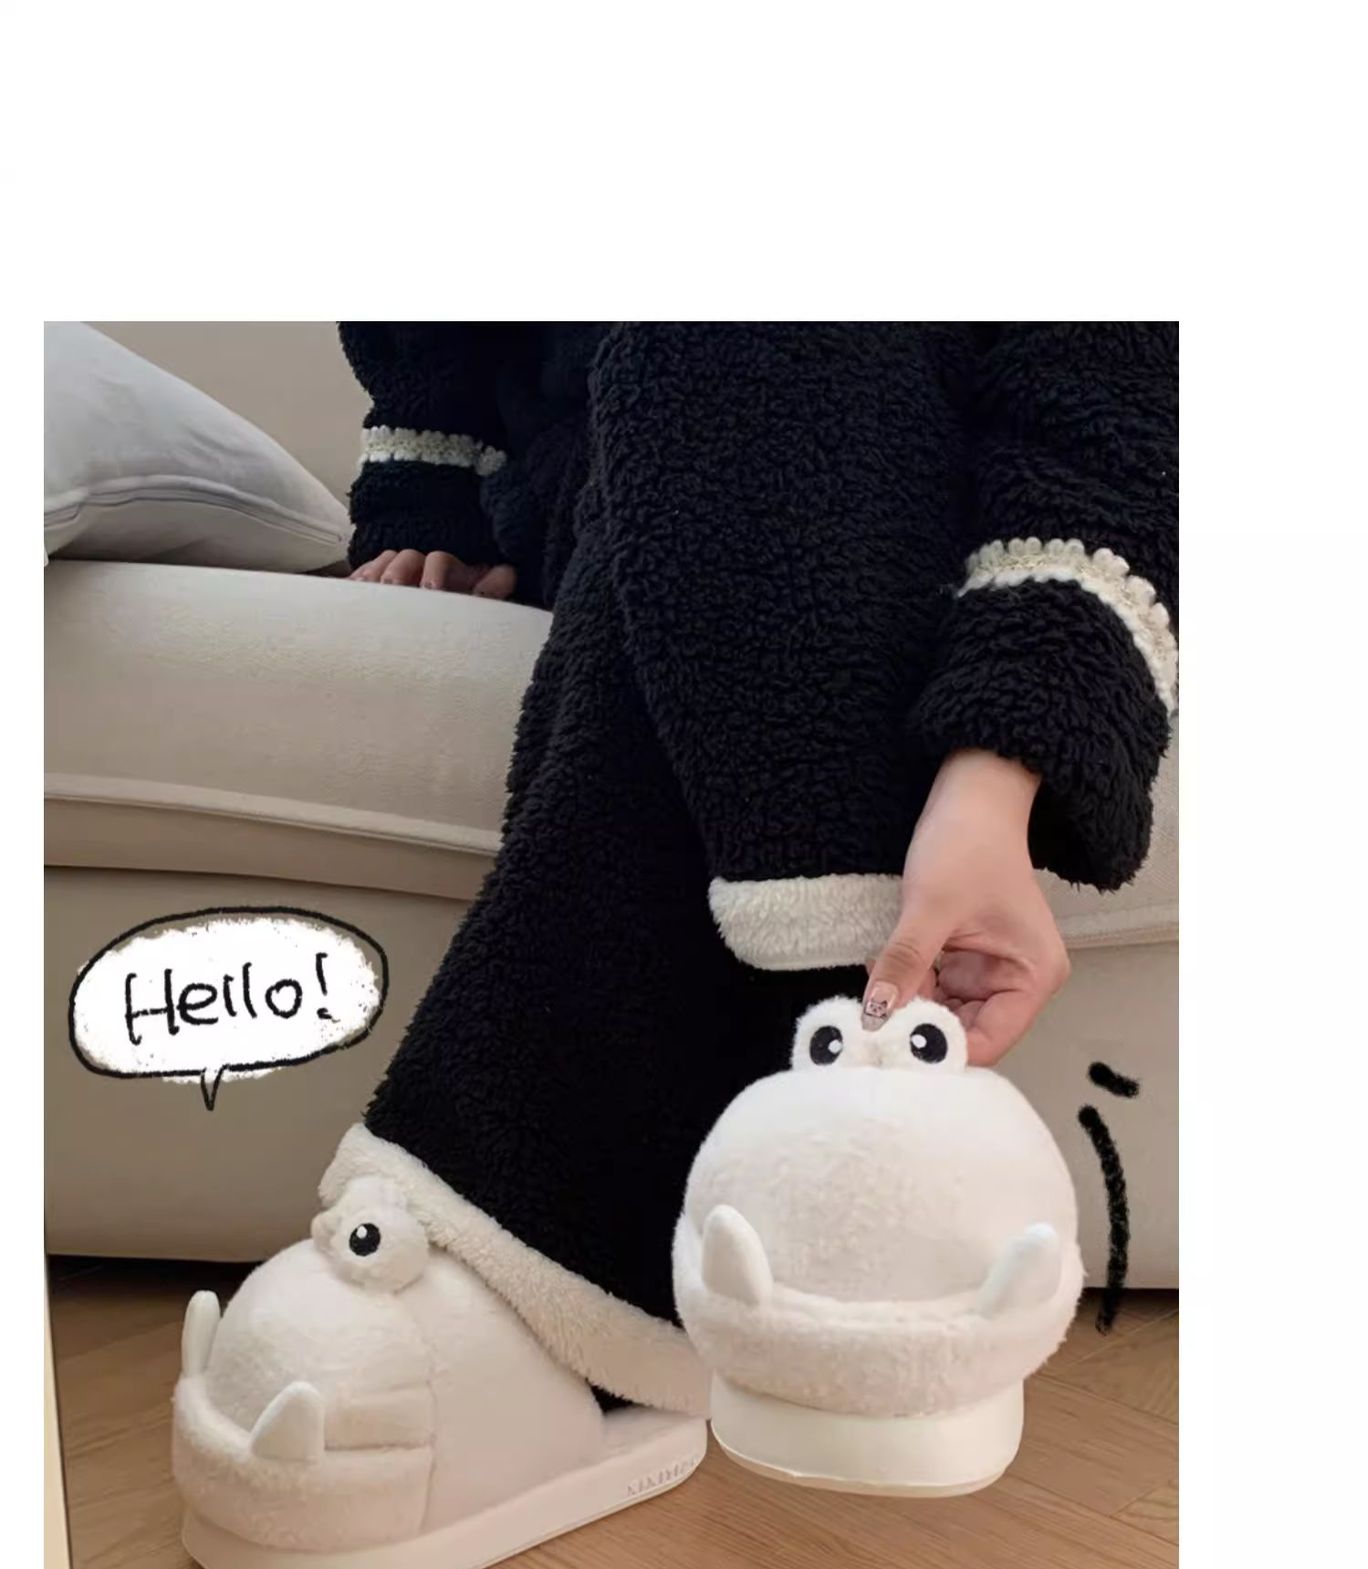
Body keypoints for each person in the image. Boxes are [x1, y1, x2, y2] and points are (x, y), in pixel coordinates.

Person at [323, 321, 1176, 1414]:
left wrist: (998, 770)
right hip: (618, 458)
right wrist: (423, 504)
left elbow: (1117, 392)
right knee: (699, 343)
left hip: (974, 484)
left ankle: (535, 1275)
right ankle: (850, 1161)